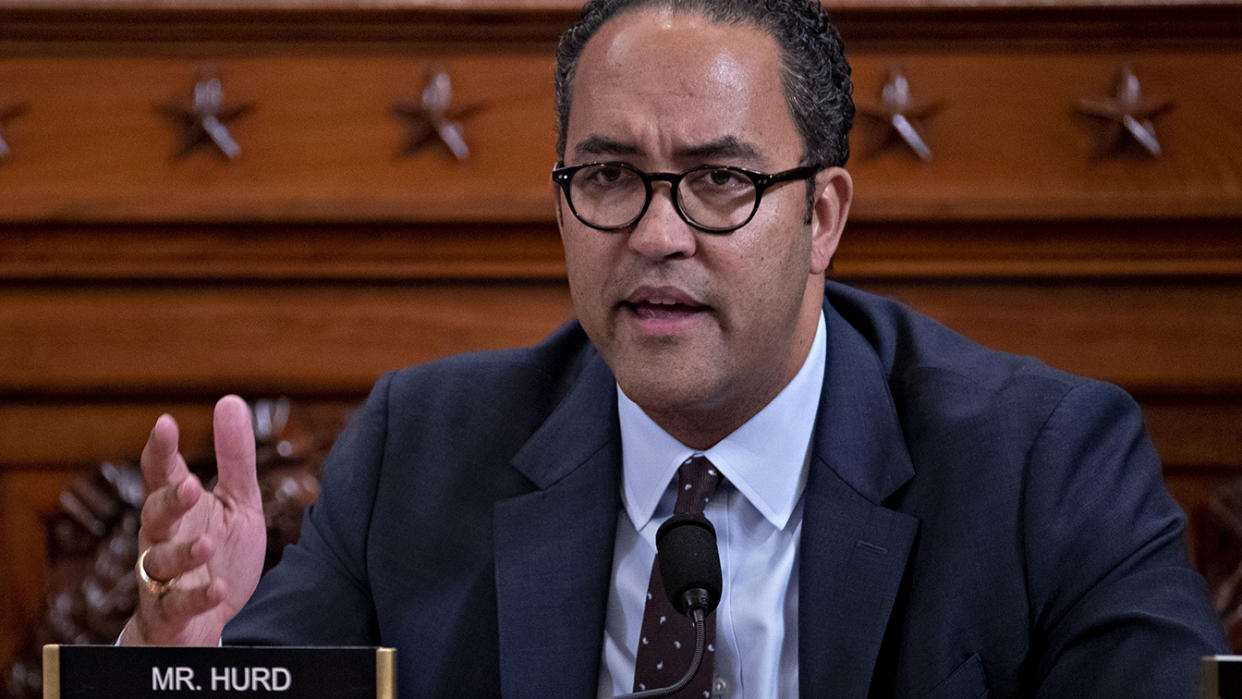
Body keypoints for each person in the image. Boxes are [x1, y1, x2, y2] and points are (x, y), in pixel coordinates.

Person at [120, 0, 1228, 696]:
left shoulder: (1044, 465)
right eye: (607, 177)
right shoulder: (419, 450)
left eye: (720, 181)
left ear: (824, 216)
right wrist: (181, 671)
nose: (656, 234)